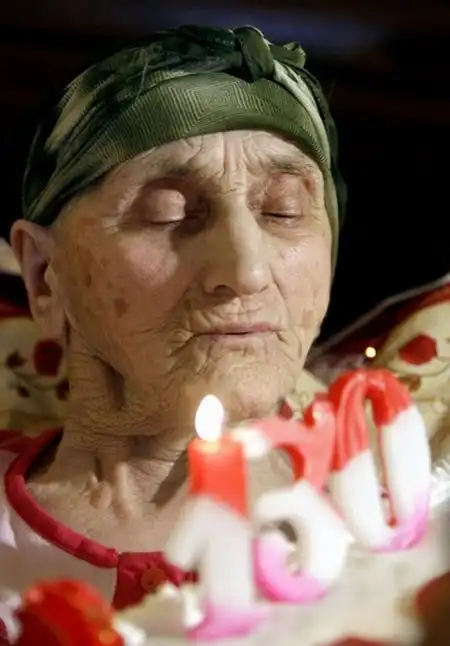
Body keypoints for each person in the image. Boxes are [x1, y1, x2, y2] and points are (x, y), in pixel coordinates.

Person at [0, 24, 345, 613]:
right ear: (44, 276)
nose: (246, 271)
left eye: (283, 211)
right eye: (169, 214)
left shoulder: (397, 511)